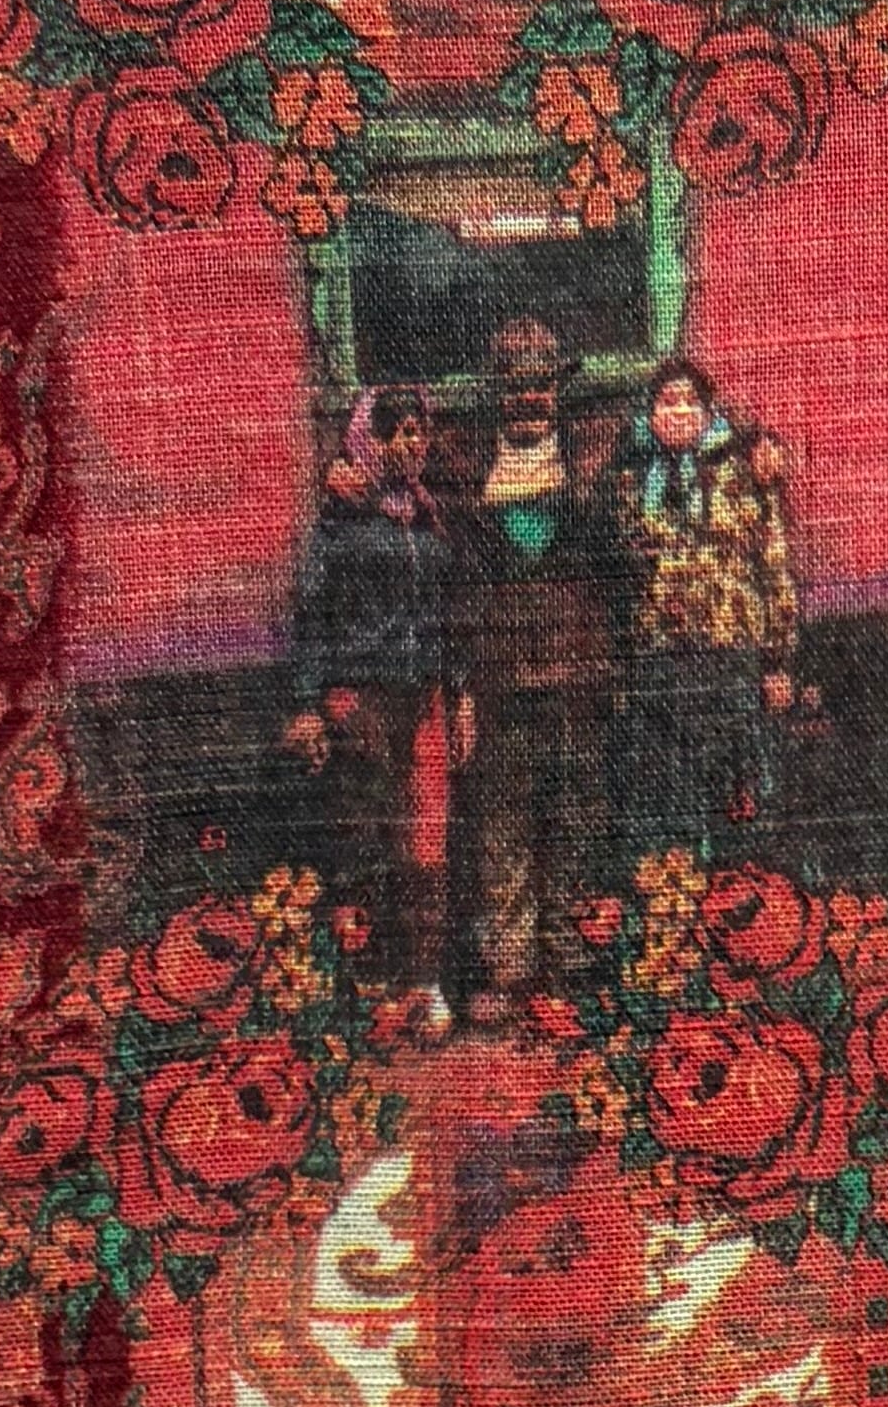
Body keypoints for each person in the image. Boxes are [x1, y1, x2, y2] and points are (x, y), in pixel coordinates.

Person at [441, 318, 627, 1006]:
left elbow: (617, 575)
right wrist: (462, 688)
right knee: (502, 826)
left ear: (557, 393)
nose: (528, 400)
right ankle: (512, 969)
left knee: (576, 818)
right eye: (514, 387)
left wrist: (613, 666)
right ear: (495, 394)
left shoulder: (591, 467)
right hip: (500, 681)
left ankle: (571, 964)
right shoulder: (465, 475)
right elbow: (456, 594)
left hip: (577, 676)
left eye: (540, 386)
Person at [285, 380, 458, 1028]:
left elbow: (446, 612)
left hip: (423, 695)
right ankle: (368, 989)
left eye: (419, 432)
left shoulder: (426, 514)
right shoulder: (339, 519)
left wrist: (458, 690)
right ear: (368, 440)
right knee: (363, 839)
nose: (412, 444)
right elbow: (311, 616)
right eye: (397, 433)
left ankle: (424, 984)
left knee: (425, 840)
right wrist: (308, 702)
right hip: (360, 696)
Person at [598, 348, 800, 860]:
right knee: (668, 790)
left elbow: (771, 562)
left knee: (737, 789)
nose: (679, 412)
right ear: (649, 413)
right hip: (660, 657)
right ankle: (678, 894)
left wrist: (777, 661)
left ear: (709, 413)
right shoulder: (627, 479)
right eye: (667, 402)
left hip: (729, 653)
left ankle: (737, 894)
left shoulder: (742, 471)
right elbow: (615, 571)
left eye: (690, 402)